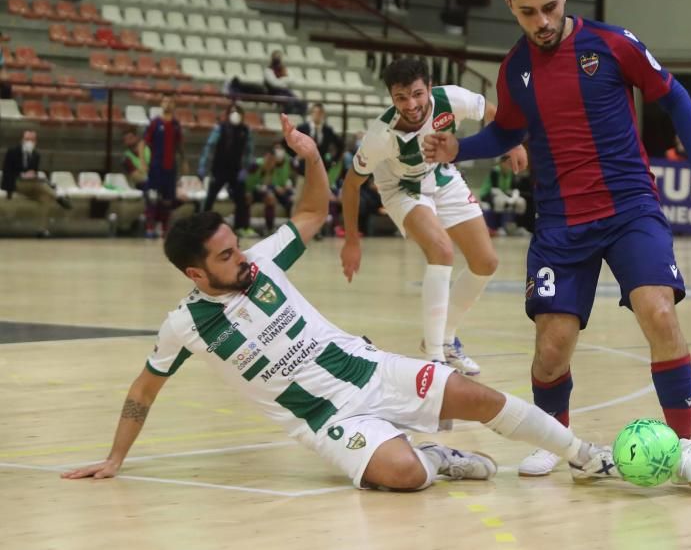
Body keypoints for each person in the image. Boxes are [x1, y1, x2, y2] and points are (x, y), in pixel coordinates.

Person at [60, 114, 616, 491]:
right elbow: (143, 389)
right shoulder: (184, 326)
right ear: (196, 272)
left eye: (237, 245)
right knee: (402, 478)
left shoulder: (262, 263)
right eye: (227, 256)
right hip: (325, 419)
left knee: (475, 395)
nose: (242, 258)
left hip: (366, 368)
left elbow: (309, 215)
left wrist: (308, 157)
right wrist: (115, 459)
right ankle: (437, 459)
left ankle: (587, 455)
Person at [423, 0, 691, 486]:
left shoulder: (613, 44)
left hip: (630, 208)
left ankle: (681, 446)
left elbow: (677, 99)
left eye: (549, 7)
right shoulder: (515, 69)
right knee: (551, 350)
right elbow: (507, 132)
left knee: (658, 313)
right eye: (528, 13)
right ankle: (562, 445)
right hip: (562, 221)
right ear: (511, 8)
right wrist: (461, 150)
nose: (541, 22)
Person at [340, 58, 527, 376]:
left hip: (440, 175)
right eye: (401, 97)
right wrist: (351, 242)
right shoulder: (380, 136)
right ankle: (434, 359)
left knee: (486, 262)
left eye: (417, 94)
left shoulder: (451, 99)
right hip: (401, 188)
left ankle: (446, 338)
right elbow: (350, 185)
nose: (411, 105)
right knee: (441, 251)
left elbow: (493, 112)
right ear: (391, 98)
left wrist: (514, 144)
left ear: (429, 87)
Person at [198, 103, 254, 236]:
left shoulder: (245, 130)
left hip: (236, 171)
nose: (235, 115)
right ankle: (202, 226)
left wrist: (245, 169)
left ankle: (242, 227)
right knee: (210, 197)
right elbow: (209, 148)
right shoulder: (220, 128)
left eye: (238, 112)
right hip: (219, 169)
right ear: (228, 114)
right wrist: (203, 166)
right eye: (233, 112)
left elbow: (248, 152)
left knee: (241, 200)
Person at [2, 130, 72, 228]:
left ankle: (41, 229)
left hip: (32, 184)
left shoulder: (36, 155)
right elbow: (7, 171)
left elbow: (34, 171)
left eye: (32, 139)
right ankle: (58, 197)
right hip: (16, 183)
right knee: (40, 183)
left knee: (45, 198)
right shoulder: (12, 152)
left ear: (35, 141)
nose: (29, 142)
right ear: (22, 140)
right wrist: (22, 175)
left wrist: (31, 174)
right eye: (27, 139)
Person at [143, 96, 186, 238]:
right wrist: (143, 161)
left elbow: (179, 145)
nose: (168, 104)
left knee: (167, 200)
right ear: (161, 104)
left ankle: (164, 227)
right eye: (165, 101)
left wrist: (184, 161)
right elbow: (143, 143)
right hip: (156, 167)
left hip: (170, 168)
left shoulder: (175, 124)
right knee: (153, 197)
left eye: (171, 102)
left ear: (174, 106)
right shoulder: (155, 123)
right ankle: (150, 227)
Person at [246, 141, 294, 234]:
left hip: (261, 189)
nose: (272, 163)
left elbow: (266, 184)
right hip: (247, 190)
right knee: (248, 197)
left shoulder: (276, 166)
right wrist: (247, 191)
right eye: (271, 160)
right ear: (267, 156)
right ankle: (243, 228)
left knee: (272, 198)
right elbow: (245, 181)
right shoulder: (255, 165)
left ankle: (271, 229)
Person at [479, 155, 527, 236]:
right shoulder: (495, 171)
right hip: (488, 194)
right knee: (499, 201)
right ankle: (500, 227)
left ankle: (519, 226)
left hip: (505, 194)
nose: (509, 165)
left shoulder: (512, 172)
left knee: (521, 202)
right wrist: (507, 199)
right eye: (507, 163)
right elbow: (495, 190)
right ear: (501, 163)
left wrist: (514, 198)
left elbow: (514, 189)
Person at [264, 50, 306, 115]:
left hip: (286, 92)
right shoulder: (268, 70)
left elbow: (292, 80)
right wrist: (285, 79)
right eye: (276, 57)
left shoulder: (285, 69)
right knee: (289, 103)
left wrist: (281, 80)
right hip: (274, 93)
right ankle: (284, 119)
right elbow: (274, 84)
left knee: (303, 103)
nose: (278, 59)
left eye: (279, 57)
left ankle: (297, 118)